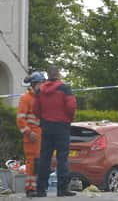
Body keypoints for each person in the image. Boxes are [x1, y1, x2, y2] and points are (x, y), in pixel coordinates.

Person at [33, 65, 77, 197]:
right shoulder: (65, 88)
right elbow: (71, 106)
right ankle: (62, 189)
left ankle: (41, 189)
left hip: (46, 126)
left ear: (48, 75)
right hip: (62, 126)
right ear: (58, 74)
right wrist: (68, 119)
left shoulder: (40, 90)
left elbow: (35, 109)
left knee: (44, 158)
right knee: (62, 158)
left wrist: (43, 119)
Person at [17, 72, 46, 197]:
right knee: (32, 162)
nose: (43, 86)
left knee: (37, 163)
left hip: (39, 134)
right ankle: (30, 188)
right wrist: (29, 132)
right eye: (41, 84)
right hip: (31, 136)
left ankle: (35, 187)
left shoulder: (38, 98)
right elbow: (20, 119)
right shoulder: (26, 98)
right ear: (35, 84)